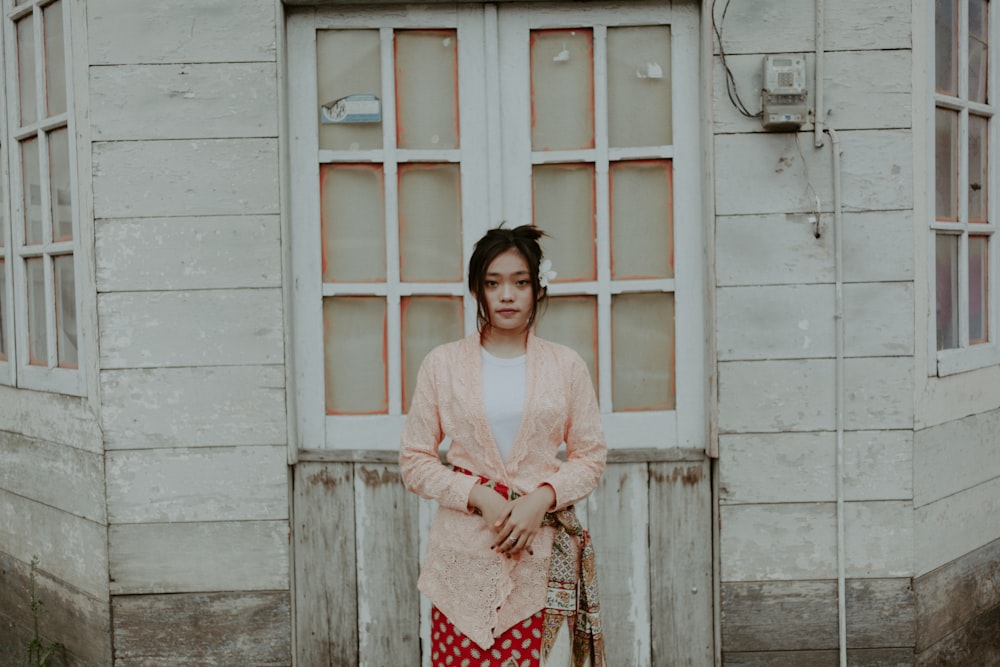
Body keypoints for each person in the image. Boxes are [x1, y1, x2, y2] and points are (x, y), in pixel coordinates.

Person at [399, 225, 608, 667]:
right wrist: (480, 499)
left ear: (537, 286)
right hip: (461, 562)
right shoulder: (442, 365)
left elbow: (590, 457)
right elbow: (415, 461)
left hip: (542, 559)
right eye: (493, 283)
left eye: (520, 282)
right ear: (478, 289)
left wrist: (541, 499)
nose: (507, 295)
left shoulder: (565, 366)